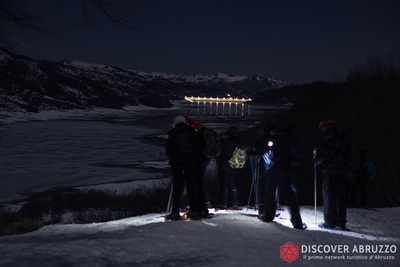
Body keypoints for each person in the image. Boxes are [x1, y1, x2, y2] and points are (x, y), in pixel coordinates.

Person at [313, 120, 352, 230]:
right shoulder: (343, 137)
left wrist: (315, 159)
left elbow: (321, 156)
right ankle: (341, 222)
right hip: (343, 171)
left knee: (329, 196)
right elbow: (349, 154)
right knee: (341, 197)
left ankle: (330, 222)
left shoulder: (326, 139)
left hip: (330, 171)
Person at [164, 115, 200, 220]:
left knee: (177, 186)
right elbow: (198, 147)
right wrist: (193, 158)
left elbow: (168, 149)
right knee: (191, 185)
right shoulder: (192, 131)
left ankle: (175, 211)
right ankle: (193, 210)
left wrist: (173, 159)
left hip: (176, 163)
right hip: (190, 162)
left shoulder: (173, 133)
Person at [274, 126, 307, 230]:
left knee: (278, 192)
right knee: (292, 195)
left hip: (281, 169)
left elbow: (275, 156)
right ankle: (297, 221)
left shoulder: (278, 141)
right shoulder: (293, 141)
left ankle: (270, 213)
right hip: (292, 169)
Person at [218, 126, 242, 209]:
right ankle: (234, 202)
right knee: (232, 184)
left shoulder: (228, 142)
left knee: (224, 185)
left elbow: (224, 154)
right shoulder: (238, 142)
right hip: (234, 165)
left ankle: (224, 203)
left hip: (225, 165)